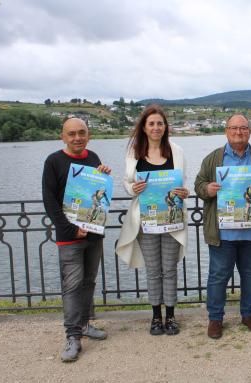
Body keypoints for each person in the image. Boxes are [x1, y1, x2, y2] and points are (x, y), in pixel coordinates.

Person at [195, 114, 251, 339]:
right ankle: (215, 319)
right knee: (218, 276)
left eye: (243, 128)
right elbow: (198, 184)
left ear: (250, 131)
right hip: (223, 232)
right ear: (226, 131)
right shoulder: (213, 158)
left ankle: (248, 314)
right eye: (234, 128)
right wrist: (208, 190)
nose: (239, 132)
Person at [116, 105, 189, 336]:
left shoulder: (176, 151)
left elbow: (182, 184)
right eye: (151, 124)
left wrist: (184, 192)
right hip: (144, 222)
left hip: (171, 219)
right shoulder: (134, 153)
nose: (156, 127)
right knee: (153, 270)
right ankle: (156, 316)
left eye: (160, 123)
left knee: (169, 269)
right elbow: (127, 183)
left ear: (165, 126)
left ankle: (171, 316)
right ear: (144, 128)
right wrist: (132, 188)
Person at [42, 117, 110, 363]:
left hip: (93, 233)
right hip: (69, 237)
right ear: (63, 136)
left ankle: (84, 324)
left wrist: (104, 175)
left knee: (89, 281)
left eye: (82, 133)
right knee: (72, 286)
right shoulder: (53, 161)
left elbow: (99, 193)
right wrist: (70, 230)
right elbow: (49, 201)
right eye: (72, 134)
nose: (77, 137)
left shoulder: (93, 158)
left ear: (88, 135)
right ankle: (72, 336)